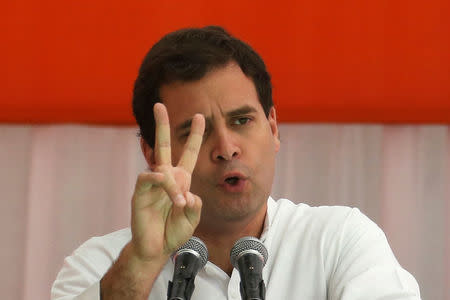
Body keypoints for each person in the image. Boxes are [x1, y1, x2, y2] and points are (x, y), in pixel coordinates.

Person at [51, 26, 421, 299]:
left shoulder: (339, 240)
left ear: (273, 128)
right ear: (153, 155)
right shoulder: (98, 266)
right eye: (195, 132)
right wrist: (142, 264)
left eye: (242, 121)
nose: (226, 148)